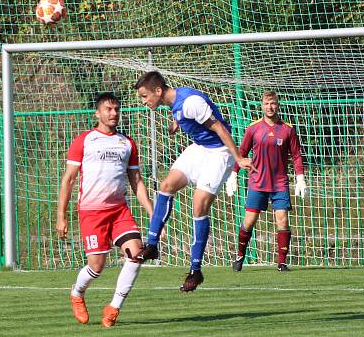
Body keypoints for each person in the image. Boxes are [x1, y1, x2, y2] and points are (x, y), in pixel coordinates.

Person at [133, 71, 252, 292]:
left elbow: (219, 128)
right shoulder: (175, 103)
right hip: (199, 148)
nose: (143, 101)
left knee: (199, 204)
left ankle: (195, 271)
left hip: (219, 153)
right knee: (166, 185)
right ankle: (152, 245)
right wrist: (176, 124)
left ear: (158, 91)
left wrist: (238, 158)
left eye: (144, 96)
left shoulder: (190, 103)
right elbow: (182, 114)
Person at [56, 92, 153, 328]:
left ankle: (114, 307)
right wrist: (61, 216)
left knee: (136, 253)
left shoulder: (126, 143)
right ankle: (77, 293)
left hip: (119, 210)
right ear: (97, 113)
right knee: (97, 266)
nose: (114, 114)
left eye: (117, 109)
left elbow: (136, 181)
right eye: (109, 109)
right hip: (92, 212)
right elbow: (68, 179)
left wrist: (153, 212)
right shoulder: (84, 140)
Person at [225, 91, 307, 272]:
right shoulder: (253, 128)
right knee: (249, 221)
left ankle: (282, 263)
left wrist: (300, 177)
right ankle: (240, 256)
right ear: (262, 105)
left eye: (273, 103)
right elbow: (242, 153)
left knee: (283, 220)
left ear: (278, 105)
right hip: (258, 182)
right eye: (267, 103)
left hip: (279, 183)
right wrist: (234, 174)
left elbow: (296, 155)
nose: (270, 107)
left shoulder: (288, 129)